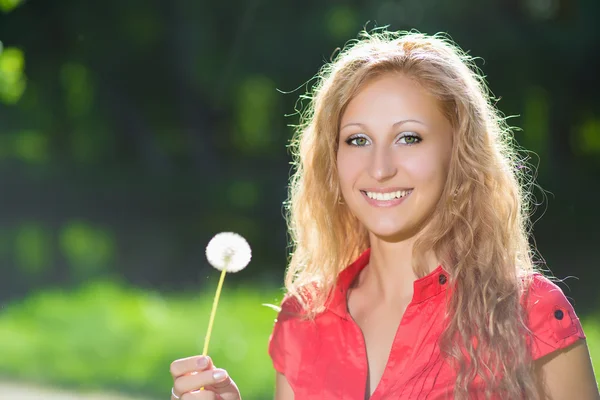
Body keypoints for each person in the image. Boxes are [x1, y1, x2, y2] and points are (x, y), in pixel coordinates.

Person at [169, 29, 599, 399]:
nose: (379, 168)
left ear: (459, 152)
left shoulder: (532, 314)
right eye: (357, 140)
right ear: (331, 158)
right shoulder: (304, 319)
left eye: (409, 138)